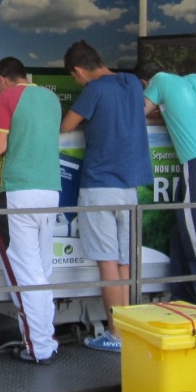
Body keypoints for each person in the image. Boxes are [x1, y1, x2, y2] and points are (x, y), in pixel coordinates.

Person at [60, 41, 153, 352]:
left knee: (108, 263)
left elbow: (66, 126)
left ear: (78, 70)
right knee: (126, 263)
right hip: (130, 189)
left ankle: (116, 335)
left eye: (75, 77)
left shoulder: (94, 90)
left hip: (99, 186)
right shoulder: (131, 83)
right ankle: (128, 331)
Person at [135, 61, 196, 310]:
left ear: (145, 83)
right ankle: (184, 305)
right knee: (182, 240)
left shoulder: (159, 81)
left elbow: (136, 114)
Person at [0, 57, 62, 364]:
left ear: (2, 79)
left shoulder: (8, 97)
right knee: (42, 272)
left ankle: (38, 347)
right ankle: (46, 340)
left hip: (19, 191)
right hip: (51, 190)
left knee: (27, 274)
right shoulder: (51, 98)